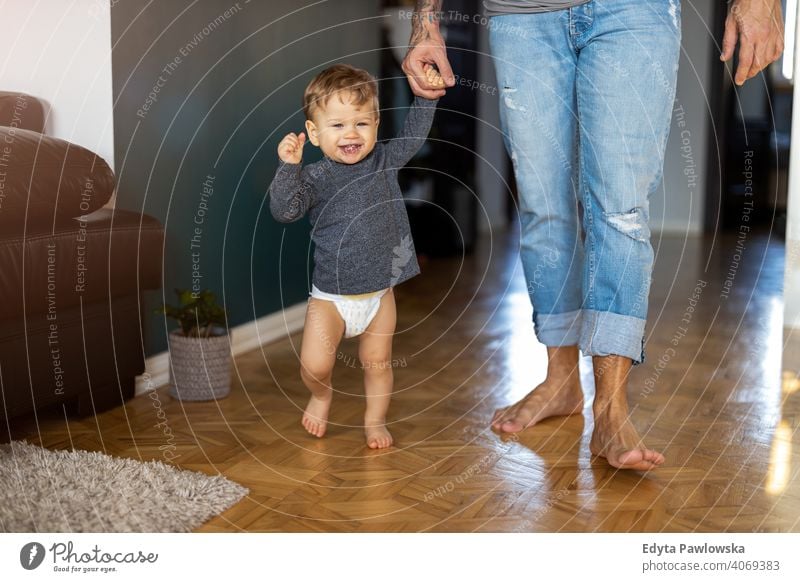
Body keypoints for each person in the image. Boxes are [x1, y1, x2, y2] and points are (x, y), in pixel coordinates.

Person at [402, 0, 784, 470]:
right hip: (521, 14)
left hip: (634, 10)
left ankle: (611, 409)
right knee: (544, 207)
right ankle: (561, 381)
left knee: (619, 209)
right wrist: (425, 19)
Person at [269, 63, 445, 449]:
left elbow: (415, 134)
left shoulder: (384, 161)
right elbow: (285, 211)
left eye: (361, 124)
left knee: (377, 363)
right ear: (314, 133)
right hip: (330, 297)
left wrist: (427, 97)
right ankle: (321, 394)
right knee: (315, 366)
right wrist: (288, 168)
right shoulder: (314, 178)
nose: (351, 133)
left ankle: (375, 420)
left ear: (376, 125)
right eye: (337, 125)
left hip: (379, 294)